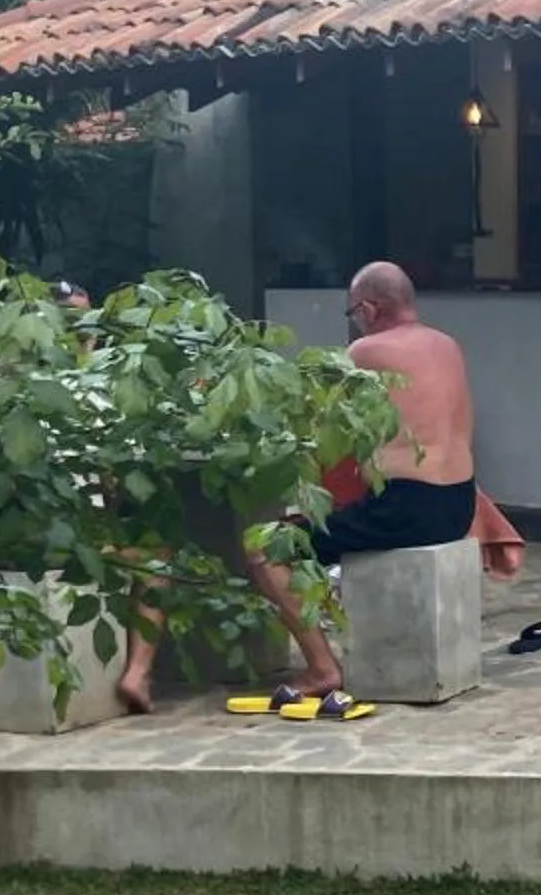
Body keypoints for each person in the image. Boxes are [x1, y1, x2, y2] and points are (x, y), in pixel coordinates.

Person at [115, 261, 479, 714]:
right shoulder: (448, 346)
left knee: (267, 548)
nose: (352, 325)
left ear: (367, 308)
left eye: (351, 314)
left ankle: (322, 667)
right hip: (460, 503)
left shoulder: (365, 353)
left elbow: (302, 413)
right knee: (315, 527)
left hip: (406, 509)